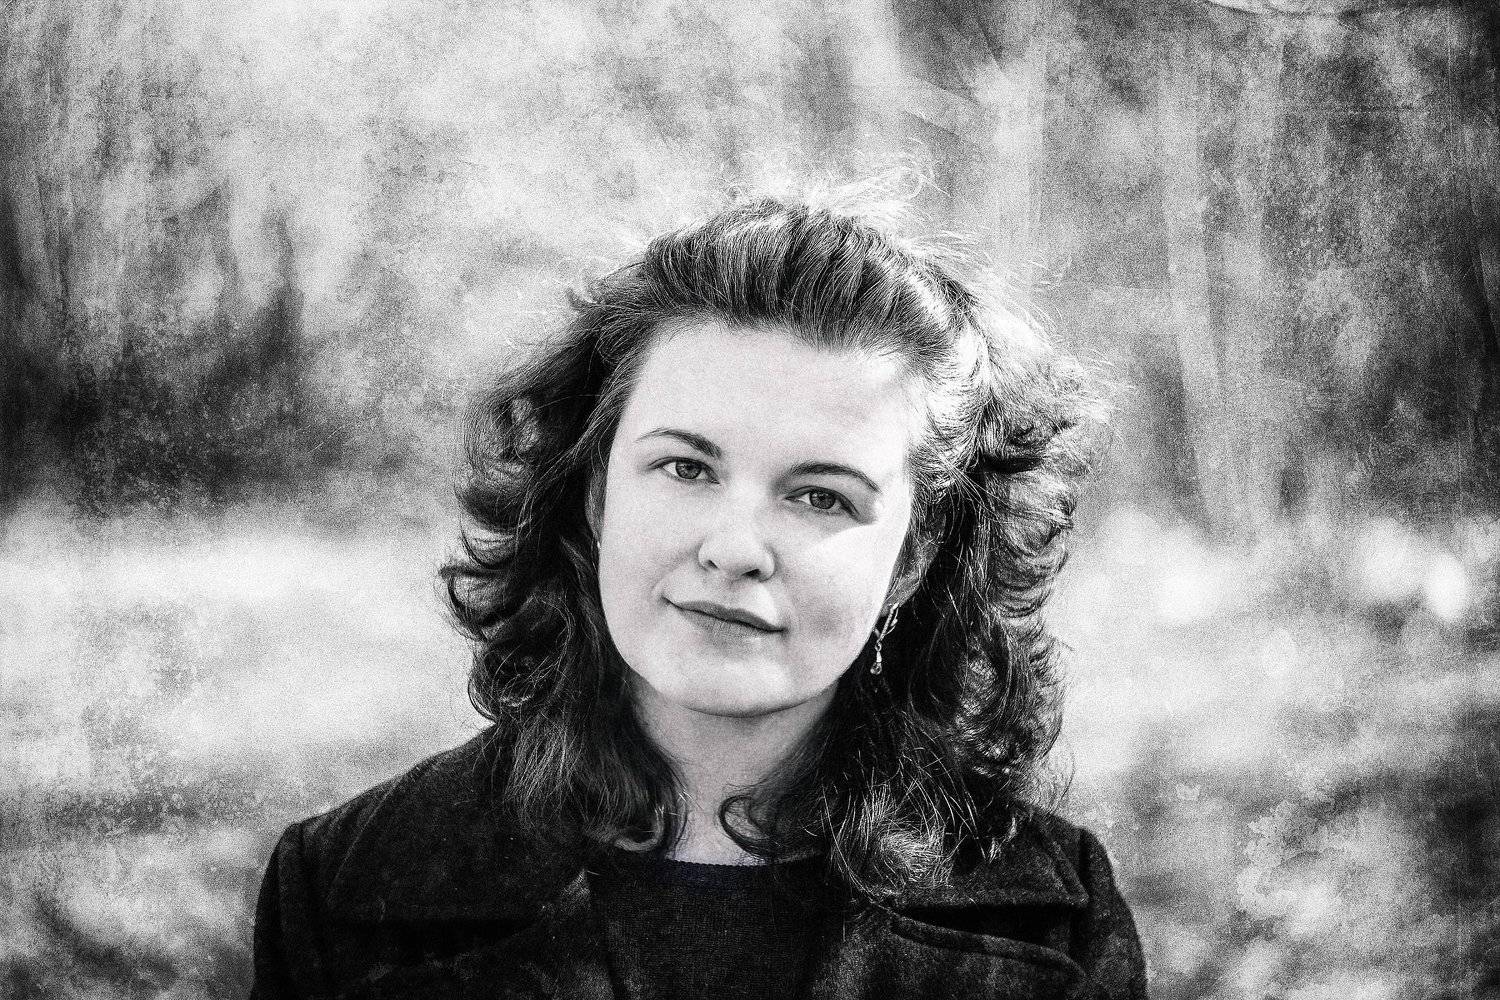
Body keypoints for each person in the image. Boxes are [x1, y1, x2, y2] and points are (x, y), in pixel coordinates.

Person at [249, 190, 1148, 999]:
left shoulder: (1053, 928)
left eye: (820, 497)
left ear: (913, 559)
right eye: (686, 467)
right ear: (596, 491)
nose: (734, 549)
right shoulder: (344, 890)